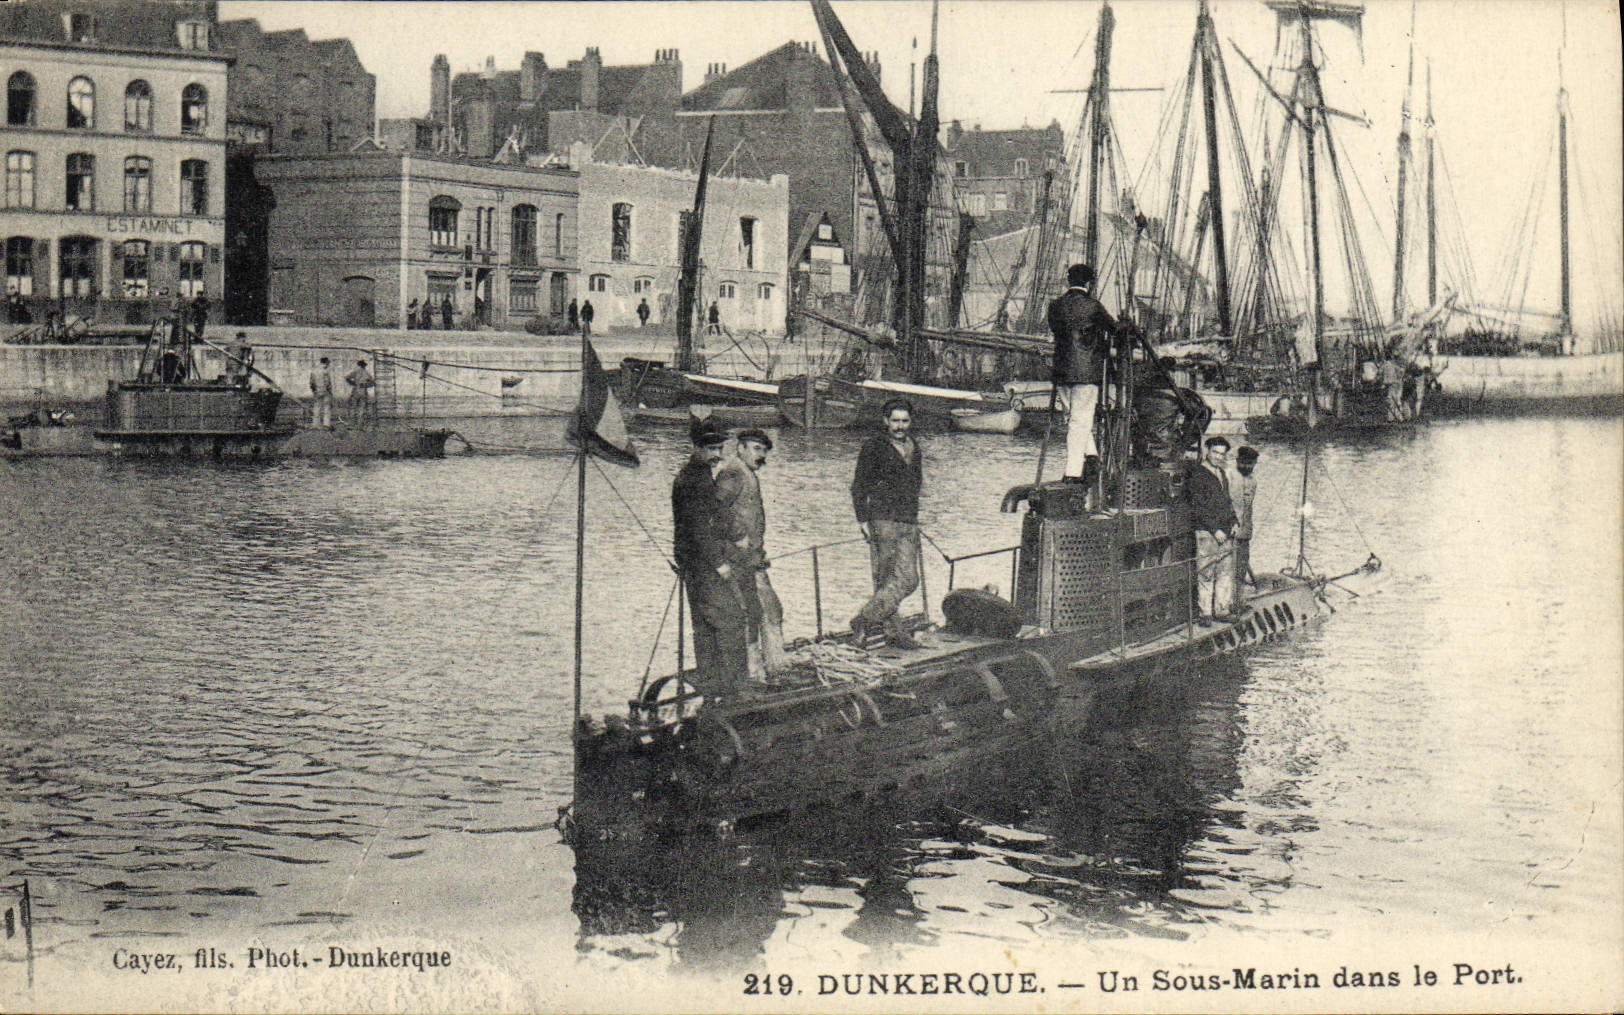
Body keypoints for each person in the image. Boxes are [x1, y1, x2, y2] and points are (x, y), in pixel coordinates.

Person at [672, 417, 751, 701]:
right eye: (710, 449)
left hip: (693, 563)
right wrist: (719, 562)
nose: (716, 454)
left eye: (719, 448)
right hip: (704, 565)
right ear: (696, 447)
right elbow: (698, 527)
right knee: (731, 620)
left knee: (706, 624)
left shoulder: (699, 474)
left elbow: (713, 515)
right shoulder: (694, 480)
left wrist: (733, 534)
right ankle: (736, 691)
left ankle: (713, 685)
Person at [850, 399, 924, 649]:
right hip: (883, 520)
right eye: (895, 420)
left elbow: (916, 485)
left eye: (905, 421)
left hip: (908, 521)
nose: (900, 426)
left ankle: (864, 619)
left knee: (908, 579)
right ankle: (893, 632)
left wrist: (915, 520)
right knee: (885, 578)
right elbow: (859, 485)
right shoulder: (873, 447)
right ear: (885, 421)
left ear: (910, 422)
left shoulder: (915, 448)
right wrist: (862, 519)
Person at [715, 427, 785, 682]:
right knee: (753, 614)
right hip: (738, 560)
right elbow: (718, 510)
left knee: (769, 610)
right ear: (740, 448)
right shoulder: (733, 472)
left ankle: (773, 666)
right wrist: (736, 537)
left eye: (764, 450)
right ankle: (757, 672)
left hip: (753, 559)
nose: (761, 455)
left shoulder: (747, 473)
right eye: (756, 449)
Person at [1047, 263, 1119, 487]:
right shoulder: (1093, 306)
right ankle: (1073, 472)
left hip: (1062, 370)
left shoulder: (1055, 306)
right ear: (1089, 283)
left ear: (1069, 281)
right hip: (1087, 373)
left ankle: (1092, 456)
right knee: (1080, 421)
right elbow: (1114, 329)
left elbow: (1057, 330)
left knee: (1072, 418)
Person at [1187, 435, 1239, 623]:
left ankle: (1222, 610)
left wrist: (1233, 522)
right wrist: (1214, 529)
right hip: (1207, 533)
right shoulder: (1198, 475)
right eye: (1215, 452)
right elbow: (1197, 507)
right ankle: (1205, 613)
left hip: (1224, 532)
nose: (1218, 457)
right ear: (1207, 451)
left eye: (1222, 454)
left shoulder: (1221, 474)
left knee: (1225, 573)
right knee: (1206, 573)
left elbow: (1227, 501)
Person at [1231, 445, 1259, 589]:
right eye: (1243, 463)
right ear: (1237, 461)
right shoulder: (1229, 477)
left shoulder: (1253, 481)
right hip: (1230, 531)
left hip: (1245, 531)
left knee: (1241, 565)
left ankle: (1239, 590)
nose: (1246, 467)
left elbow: (1248, 507)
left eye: (1250, 464)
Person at [345, 359, 376, 426]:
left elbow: (347, 377)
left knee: (353, 407)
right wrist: (366, 385)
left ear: (358, 365)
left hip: (356, 390)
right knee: (361, 407)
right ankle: (360, 423)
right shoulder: (367, 373)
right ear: (364, 366)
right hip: (363, 391)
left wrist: (352, 383)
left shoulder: (355, 372)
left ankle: (352, 423)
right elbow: (373, 382)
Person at [309, 356, 337, 429]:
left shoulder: (314, 370)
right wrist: (330, 391)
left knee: (317, 407)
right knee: (327, 407)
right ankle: (326, 424)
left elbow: (311, 382)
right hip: (325, 391)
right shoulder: (325, 371)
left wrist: (314, 390)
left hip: (317, 391)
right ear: (326, 362)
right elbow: (327, 382)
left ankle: (315, 424)